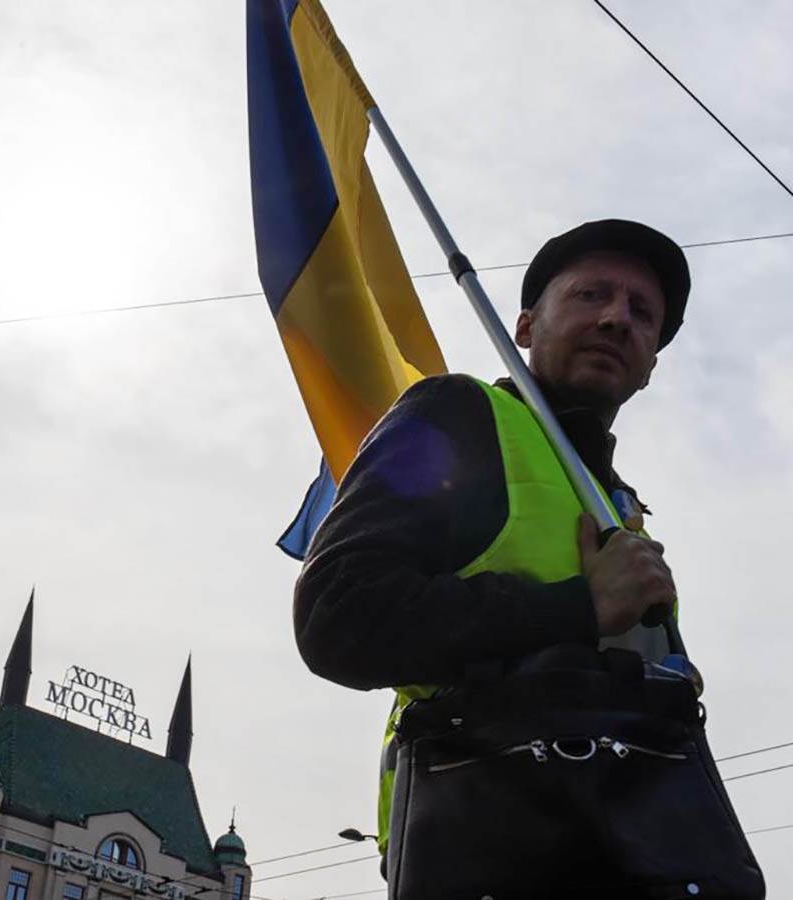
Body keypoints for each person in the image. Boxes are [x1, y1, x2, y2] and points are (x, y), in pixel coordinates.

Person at [292, 219, 690, 857]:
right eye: (591, 294)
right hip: (484, 847)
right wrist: (577, 607)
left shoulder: (623, 511)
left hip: (636, 856)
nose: (618, 318)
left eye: (643, 313)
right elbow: (337, 616)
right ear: (525, 327)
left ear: (649, 368)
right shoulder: (457, 415)